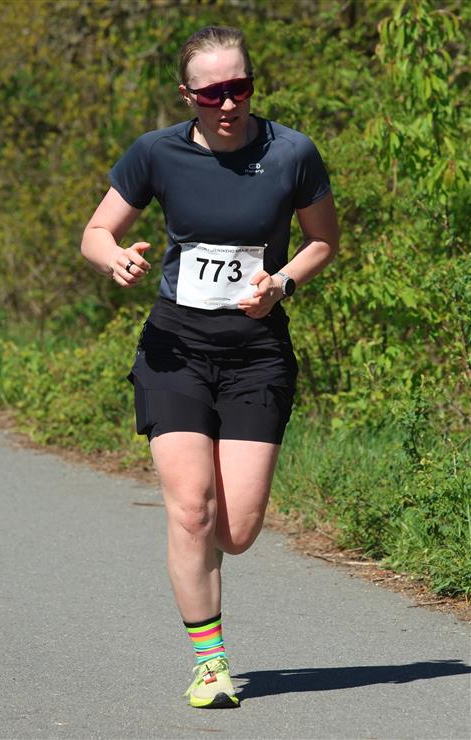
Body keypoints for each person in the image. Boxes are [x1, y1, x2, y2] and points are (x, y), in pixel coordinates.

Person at [81, 25, 339, 709]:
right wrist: (115, 259)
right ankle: (209, 662)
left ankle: (206, 552)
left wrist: (281, 282)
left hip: (257, 354)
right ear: (186, 95)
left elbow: (322, 241)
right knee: (191, 509)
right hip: (175, 349)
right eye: (211, 93)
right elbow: (96, 232)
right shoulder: (155, 153)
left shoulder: (291, 153)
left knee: (237, 530)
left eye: (239, 88)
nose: (228, 104)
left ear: (252, 85)